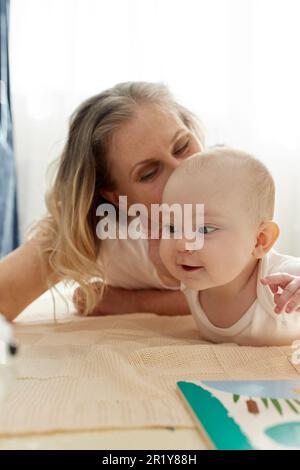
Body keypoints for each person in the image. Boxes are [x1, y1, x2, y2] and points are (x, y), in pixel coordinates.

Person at [0, 81, 205, 321]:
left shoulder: (239, 189)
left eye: (182, 146)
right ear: (116, 197)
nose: (181, 171)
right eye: (148, 173)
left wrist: (130, 302)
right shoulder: (98, 231)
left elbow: (245, 296)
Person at [159, 147, 300, 346]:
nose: (182, 243)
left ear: (260, 240)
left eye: (205, 229)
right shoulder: (191, 277)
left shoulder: (278, 280)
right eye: (172, 227)